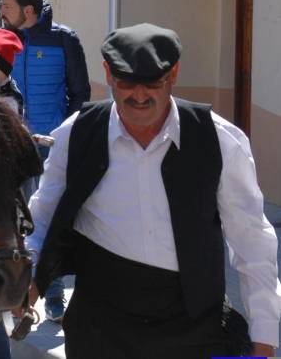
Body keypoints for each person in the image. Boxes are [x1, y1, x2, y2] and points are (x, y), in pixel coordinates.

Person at [25, 23, 281, 358]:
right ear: (108, 73)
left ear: (173, 74)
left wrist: (263, 337)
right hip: (100, 328)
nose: (140, 95)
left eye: (153, 83)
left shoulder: (220, 141)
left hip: (193, 328)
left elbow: (252, 242)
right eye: (127, 82)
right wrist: (27, 276)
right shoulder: (75, 135)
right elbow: (42, 216)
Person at [0, 0, 89, 322]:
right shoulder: (3, 37)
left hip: (51, 148)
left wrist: (64, 134)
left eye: (7, 6)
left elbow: (80, 94)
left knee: (46, 222)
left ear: (29, 10)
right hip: (12, 147)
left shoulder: (64, 40)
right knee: (10, 222)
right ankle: (10, 291)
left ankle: (52, 296)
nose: (1, 11)